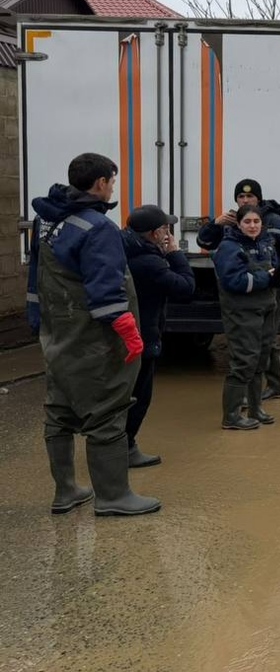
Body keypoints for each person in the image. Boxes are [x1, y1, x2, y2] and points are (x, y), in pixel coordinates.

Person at [24, 153, 160, 516]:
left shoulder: (46, 220)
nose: (112, 187)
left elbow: (36, 276)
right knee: (107, 413)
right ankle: (113, 496)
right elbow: (106, 290)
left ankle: (66, 491)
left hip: (59, 335)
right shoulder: (99, 228)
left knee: (59, 411)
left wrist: (37, 319)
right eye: (112, 181)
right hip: (93, 341)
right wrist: (131, 334)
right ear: (101, 183)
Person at [198, 178, 280, 401]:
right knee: (244, 343)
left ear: (258, 199)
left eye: (249, 197)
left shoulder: (276, 223)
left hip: (271, 290)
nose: (244, 200)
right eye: (240, 197)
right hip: (240, 292)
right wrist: (216, 223)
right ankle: (250, 396)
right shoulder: (231, 222)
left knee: (267, 339)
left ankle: (274, 386)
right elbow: (205, 242)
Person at [122, 205, 196, 467]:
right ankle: (125, 448)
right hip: (142, 337)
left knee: (123, 395)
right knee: (138, 396)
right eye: (166, 228)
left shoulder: (123, 251)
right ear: (155, 234)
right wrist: (175, 254)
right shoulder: (149, 263)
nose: (169, 232)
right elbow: (186, 289)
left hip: (123, 337)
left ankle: (117, 448)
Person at [212, 205, 280, 430]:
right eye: (247, 222)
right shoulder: (229, 247)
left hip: (266, 308)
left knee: (261, 358)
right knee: (244, 361)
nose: (252, 226)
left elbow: (275, 269)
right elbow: (234, 281)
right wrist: (265, 278)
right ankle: (231, 416)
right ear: (238, 224)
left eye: (256, 222)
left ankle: (255, 408)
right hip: (242, 312)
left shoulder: (266, 243)